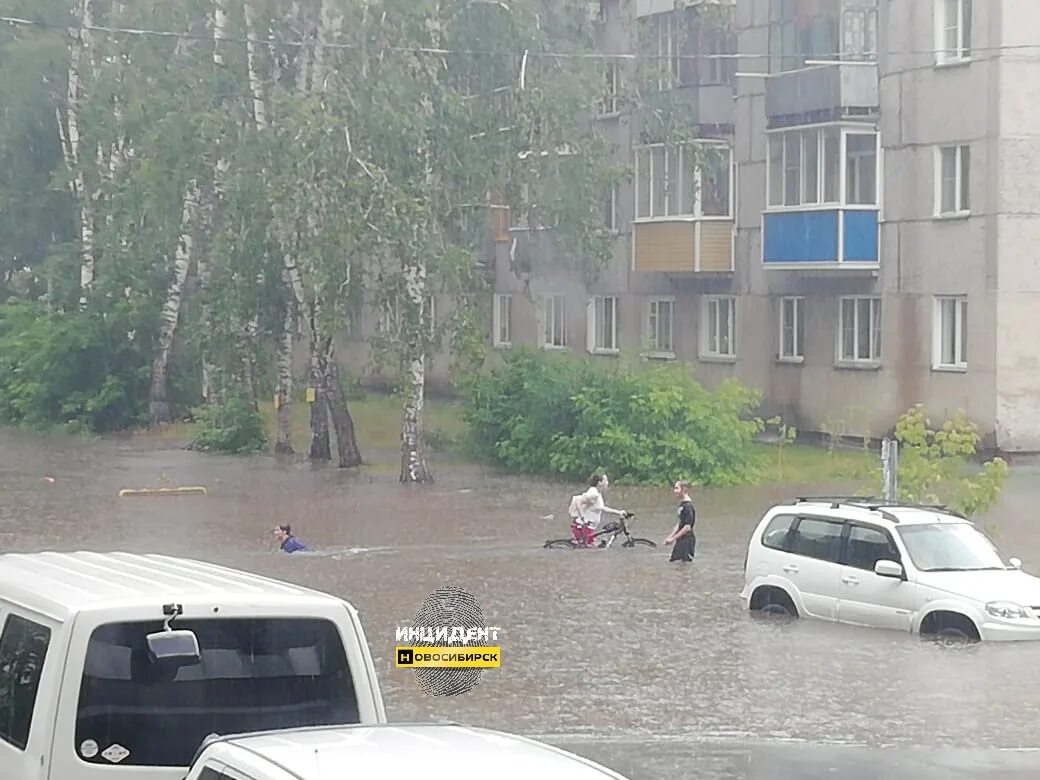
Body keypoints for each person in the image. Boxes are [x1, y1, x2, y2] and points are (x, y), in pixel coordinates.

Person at [572, 473, 627, 547]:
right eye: (606, 480)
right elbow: (578, 501)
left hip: (588, 527)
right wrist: (582, 517)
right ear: (599, 483)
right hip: (584, 527)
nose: (607, 483)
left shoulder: (597, 493)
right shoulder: (594, 493)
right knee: (590, 551)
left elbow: (601, 507)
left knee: (595, 547)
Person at [664, 480, 696, 562]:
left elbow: (687, 527)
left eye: (677, 488)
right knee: (674, 562)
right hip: (680, 540)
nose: (674, 491)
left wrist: (673, 538)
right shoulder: (682, 505)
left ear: (684, 489)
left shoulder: (688, 507)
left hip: (687, 541)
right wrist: (670, 536)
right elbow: (680, 523)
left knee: (685, 565)